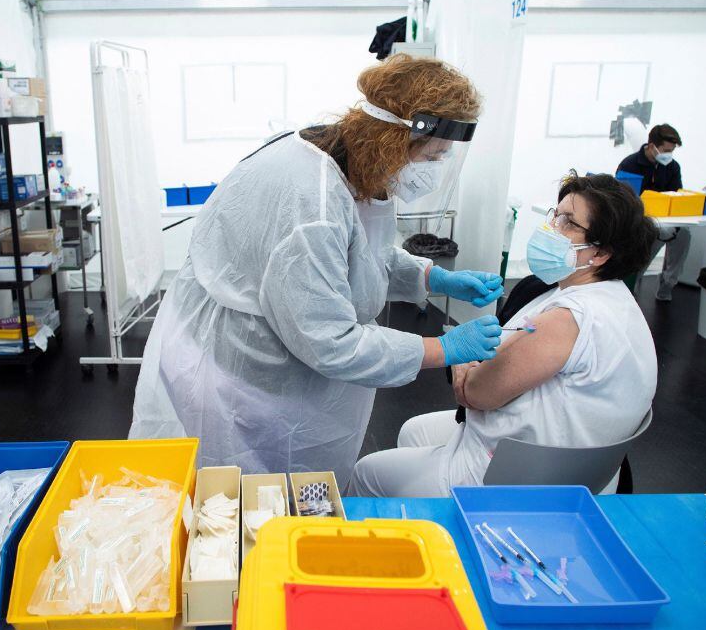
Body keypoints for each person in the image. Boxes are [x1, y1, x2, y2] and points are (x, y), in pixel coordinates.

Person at [129, 55, 506, 486]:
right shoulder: (313, 203)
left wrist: (428, 278)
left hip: (274, 349)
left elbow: (363, 249)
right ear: (392, 138)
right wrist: (441, 348)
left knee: (283, 488)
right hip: (242, 372)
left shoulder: (349, 158)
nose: (435, 170)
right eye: (433, 156)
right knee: (244, 495)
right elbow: (331, 342)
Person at [350, 172, 659, 497]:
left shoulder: (568, 319)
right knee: (414, 432)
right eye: (557, 214)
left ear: (600, 253)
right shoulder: (614, 299)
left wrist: (459, 357)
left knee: (366, 473)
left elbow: (475, 393)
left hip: (520, 472)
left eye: (568, 222)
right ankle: (430, 524)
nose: (551, 227)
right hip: (579, 460)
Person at [616, 123, 691, 301]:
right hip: (640, 220)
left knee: (684, 236)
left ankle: (668, 283)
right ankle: (631, 287)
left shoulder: (672, 167)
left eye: (671, 151)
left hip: (666, 218)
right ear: (652, 146)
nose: (668, 155)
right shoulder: (630, 165)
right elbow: (624, 200)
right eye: (666, 150)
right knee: (653, 236)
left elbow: (675, 194)